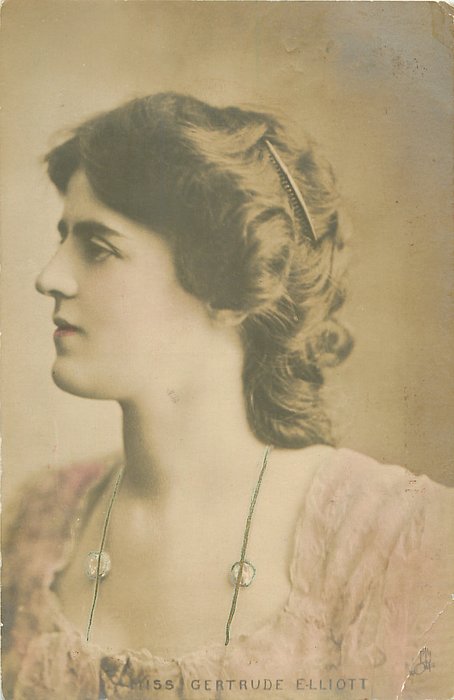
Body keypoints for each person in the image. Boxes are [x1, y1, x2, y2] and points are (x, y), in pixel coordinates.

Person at [3, 93, 453, 700]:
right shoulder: (38, 523)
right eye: (63, 240)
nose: (49, 276)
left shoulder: (397, 541)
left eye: (99, 248)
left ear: (228, 286)